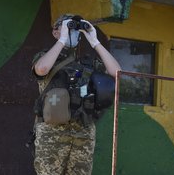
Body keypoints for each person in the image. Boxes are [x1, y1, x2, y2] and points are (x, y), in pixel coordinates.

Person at [32, 14, 121, 175]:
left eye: (75, 30)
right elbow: (42, 69)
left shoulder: (88, 63)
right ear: (55, 32)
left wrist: (95, 41)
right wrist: (62, 40)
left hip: (83, 132)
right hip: (52, 132)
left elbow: (117, 73)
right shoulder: (48, 57)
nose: (73, 32)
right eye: (67, 27)